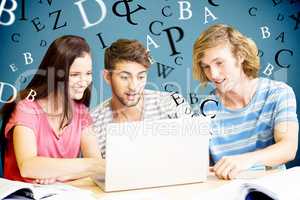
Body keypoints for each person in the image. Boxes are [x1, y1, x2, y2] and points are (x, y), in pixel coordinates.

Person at [192, 24, 298, 180]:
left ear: (240, 56)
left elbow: (288, 148)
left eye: (219, 63)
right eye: (206, 66)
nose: (213, 74)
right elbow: (198, 166)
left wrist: (245, 160)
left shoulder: (278, 93)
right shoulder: (202, 110)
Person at [0, 35, 104, 184]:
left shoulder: (81, 112)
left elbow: (98, 168)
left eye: (88, 73)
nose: (84, 82)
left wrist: (59, 175)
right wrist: (90, 165)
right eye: (75, 75)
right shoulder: (26, 108)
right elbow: (28, 166)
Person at [91, 39, 190, 158]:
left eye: (141, 77)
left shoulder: (172, 103)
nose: (133, 86)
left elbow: (196, 152)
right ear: (107, 77)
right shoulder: (93, 122)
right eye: (124, 77)